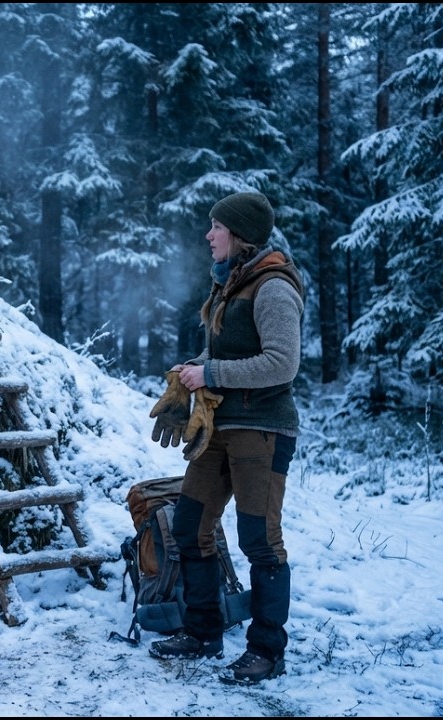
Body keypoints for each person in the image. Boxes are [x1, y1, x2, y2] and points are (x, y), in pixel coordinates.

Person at [147, 191, 305, 685]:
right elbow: (228, 352)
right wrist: (193, 368)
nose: (208, 235)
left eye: (216, 227)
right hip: (220, 426)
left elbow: (282, 363)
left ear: (240, 235)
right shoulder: (231, 282)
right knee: (190, 526)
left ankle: (267, 651)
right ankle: (202, 632)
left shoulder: (272, 287)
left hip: (263, 430)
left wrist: (211, 373)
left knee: (260, 540)